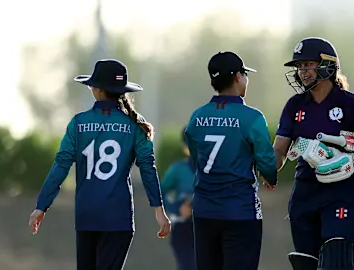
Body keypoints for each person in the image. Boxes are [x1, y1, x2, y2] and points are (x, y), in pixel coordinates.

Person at [28, 59, 171, 270]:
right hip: (118, 218)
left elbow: (61, 166)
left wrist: (41, 206)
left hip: (87, 216)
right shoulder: (135, 123)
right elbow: (148, 168)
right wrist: (159, 210)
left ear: (96, 89)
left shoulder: (78, 123)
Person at [272, 37, 354, 270]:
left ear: (327, 65)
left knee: (338, 259)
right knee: (306, 264)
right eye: (300, 67)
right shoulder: (295, 105)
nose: (303, 72)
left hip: (343, 191)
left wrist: (352, 159)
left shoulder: (351, 103)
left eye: (308, 65)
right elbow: (279, 151)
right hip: (305, 192)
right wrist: (263, 166)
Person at [184, 51, 277, 270]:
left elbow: (197, 157)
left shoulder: (197, 116)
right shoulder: (252, 117)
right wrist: (269, 177)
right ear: (237, 77)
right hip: (240, 210)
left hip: (204, 210)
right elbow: (267, 164)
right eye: (245, 74)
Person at [161, 127, 196, 270]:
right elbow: (160, 193)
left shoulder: (214, 171)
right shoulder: (178, 170)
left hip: (208, 226)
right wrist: (177, 207)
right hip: (183, 227)